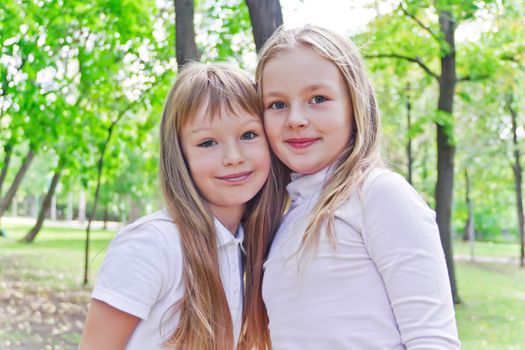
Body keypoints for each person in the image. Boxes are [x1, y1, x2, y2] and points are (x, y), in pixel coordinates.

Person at [241, 25, 461, 350]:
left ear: (354, 105)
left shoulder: (379, 194)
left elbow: (433, 341)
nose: (296, 118)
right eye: (277, 104)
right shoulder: (286, 218)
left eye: (318, 98)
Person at [79, 62, 286, 350]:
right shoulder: (153, 243)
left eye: (248, 135)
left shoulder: (241, 245)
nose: (233, 156)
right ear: (180, 156)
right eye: (208, 142)